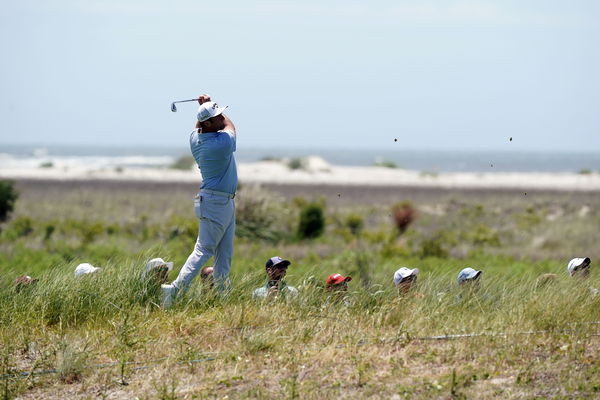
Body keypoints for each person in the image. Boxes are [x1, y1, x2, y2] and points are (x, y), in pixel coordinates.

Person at [162, 94, 237, 308]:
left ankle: (221, 296)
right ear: (208, 123)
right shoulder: (222, 142)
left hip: (222, 201)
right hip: (216, 202)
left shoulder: (195, 138)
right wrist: (207, 106)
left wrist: (204, 107)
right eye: (217, 116)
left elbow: (201, 124)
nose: (221, 117)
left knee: (225, 253)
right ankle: (174, 291)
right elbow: (231, 126)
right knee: (203, 250)